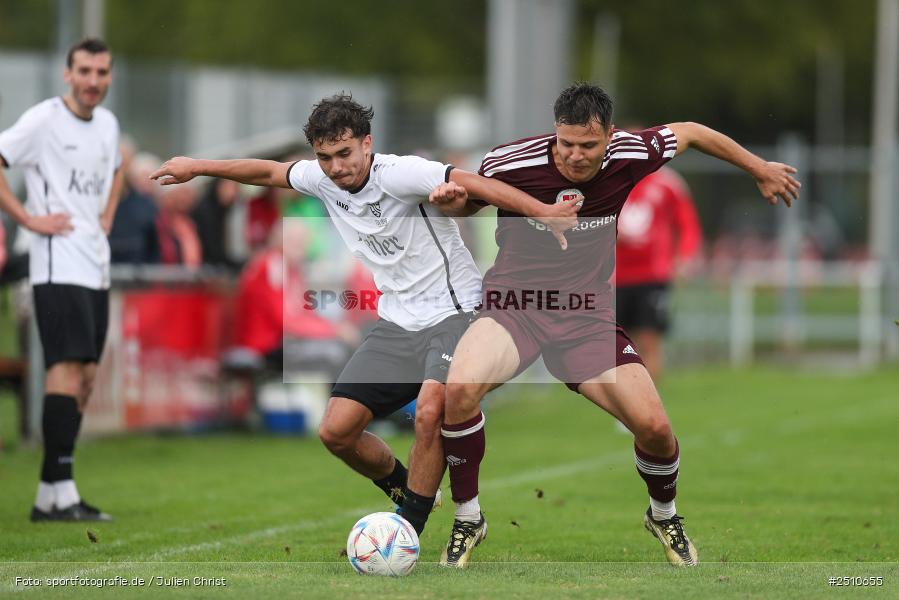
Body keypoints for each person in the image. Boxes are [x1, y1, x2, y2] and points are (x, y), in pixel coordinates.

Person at [150, 93, 580, 536]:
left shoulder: (400, 173)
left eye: (344, 153)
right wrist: (198, 166)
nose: (336, 167)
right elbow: (267, 172)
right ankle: (411, 491)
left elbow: (475, 182)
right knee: (336, 431)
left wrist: (544, 213)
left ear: (367, 144)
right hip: (397, 322)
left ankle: (407, 529)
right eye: (325, 158)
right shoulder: (321, 178)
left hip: (455, 312)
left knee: (430, 411)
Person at [432, 82, 800, 568]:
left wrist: (759, 168)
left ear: (610, 135)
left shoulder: (632, 152)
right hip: (515, 307)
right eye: (566, 143)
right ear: (555, 132)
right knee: (459, 390)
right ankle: (468, 518)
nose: (575, 155)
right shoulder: (511, 161)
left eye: (588, 145)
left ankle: (663, 515)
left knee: (655, 428)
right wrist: (449, 201)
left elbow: (692, 132)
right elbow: (468, 203)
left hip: (586, 316)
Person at [0, 38, 124, 521]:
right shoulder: (44, 120)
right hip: (56, 264)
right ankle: (60, 491)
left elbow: (117, 171)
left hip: (95, 264)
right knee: (66, 371)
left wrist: (108, 213)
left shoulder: (108, 124)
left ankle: (51, 493)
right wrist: (28, 220)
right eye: (85, 71)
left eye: (102, 72)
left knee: (87, 376)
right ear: (67, 74)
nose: (93, 80)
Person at [615, 164, 702, 380]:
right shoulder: (609, 180)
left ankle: (648, 398)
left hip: (652, 277)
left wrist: (685, 258)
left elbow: (687, 223)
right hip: (614, 277)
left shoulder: (668, 182)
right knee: (618, 345)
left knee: (649, 340)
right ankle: (625, 398)